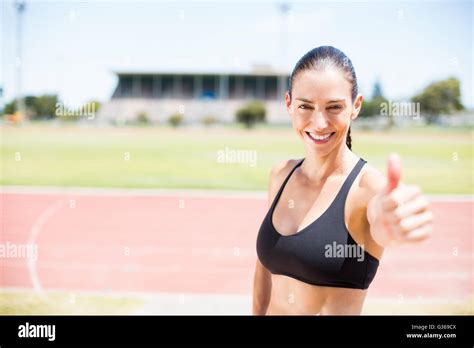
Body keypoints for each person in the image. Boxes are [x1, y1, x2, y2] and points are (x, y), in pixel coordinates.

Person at [253, 46, 433, 315]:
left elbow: (382, 219)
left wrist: (394, 218)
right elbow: (264, 270)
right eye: (305, 106)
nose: (319, 122)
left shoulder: (368, 188)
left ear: (355, 106)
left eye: (334, 107)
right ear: (289, 103)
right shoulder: (281, 174)